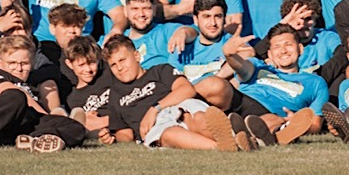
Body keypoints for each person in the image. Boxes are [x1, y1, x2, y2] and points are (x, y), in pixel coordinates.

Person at [0, 29, 92, 152]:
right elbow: (12, 92)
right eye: (13, 63)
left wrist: (54, 121)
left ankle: (34, 141)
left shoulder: (32, 82)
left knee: (75, 128)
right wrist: (46, 115)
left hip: (22, 125)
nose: (19, 68)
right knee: (16, 97)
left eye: (24, 63)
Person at [94, 33, 240, 152]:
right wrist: (111, 138)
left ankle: (230, 143)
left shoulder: (160, 70)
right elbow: (124, 133)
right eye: (113, 64)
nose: (119, 67)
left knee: (197, 117)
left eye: (122, 60)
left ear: (137, 56)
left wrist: (154, 109)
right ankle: (229, 147)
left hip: (179, 108)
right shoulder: (115, 94)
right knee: (169, 134)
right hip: (158, 127)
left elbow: (187, 89)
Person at [226, 23, 329, 144]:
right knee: (214, 88)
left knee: (268, 121)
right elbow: (242, 68)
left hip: (269, 117)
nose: (283, 51)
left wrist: (295, 124)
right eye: (277, 47)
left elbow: (316, 125)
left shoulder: (315, 82)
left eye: (288, 45)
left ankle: (240, 140)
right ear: (269, 54)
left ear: (300, 49)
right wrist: (229, 55)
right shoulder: (257, 66)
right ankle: (245, 139)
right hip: (241, 103)